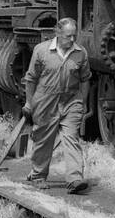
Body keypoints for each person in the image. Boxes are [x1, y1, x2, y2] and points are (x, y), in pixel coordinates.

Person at [21, 18, 92, 194]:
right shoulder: (41, 51)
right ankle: (38, 176)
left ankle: (74, 179)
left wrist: (82, 101)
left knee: (71, 137)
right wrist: (29, 103)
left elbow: (85, 80)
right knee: (43, 139)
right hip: (45, 100)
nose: (72, 39)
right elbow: (30, 79)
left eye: (74, 35)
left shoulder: (80, 53)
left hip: (71, 100)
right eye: (68, 36)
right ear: (58, 33)